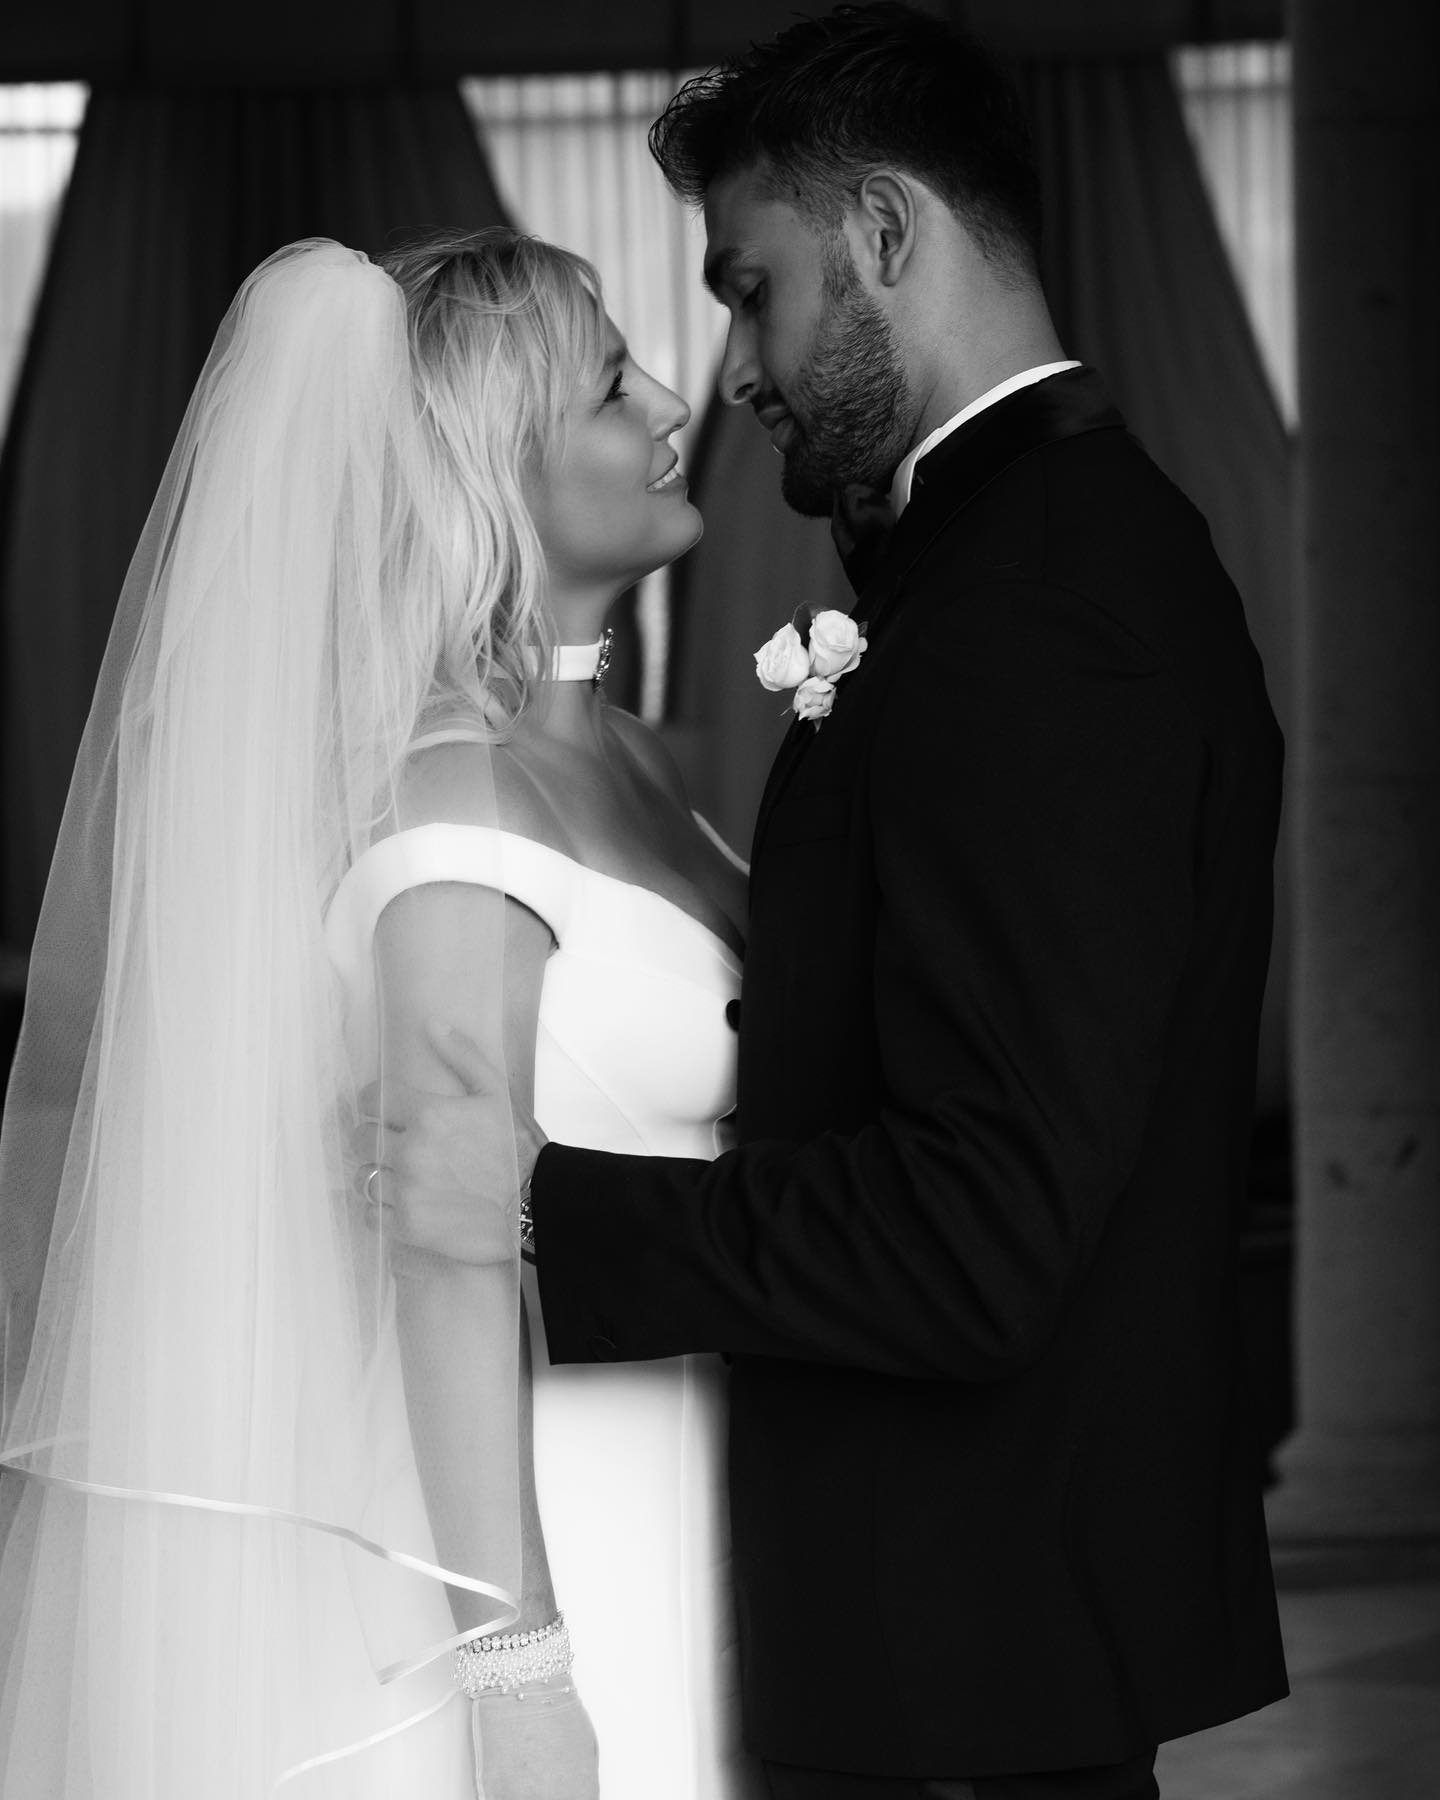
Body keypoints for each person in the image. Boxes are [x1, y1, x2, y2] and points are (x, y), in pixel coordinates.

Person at [364, 7, 1292, 1798]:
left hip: (963, 1653)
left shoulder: (1033, 608)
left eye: (748, 290)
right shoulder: (1012, 561)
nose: (724, 377)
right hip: (887, 1624)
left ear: (881, 231)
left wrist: (547, 1206)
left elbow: (978, 1230)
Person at [0, 230, 764, 1797]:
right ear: (494, 473)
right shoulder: (452, 793)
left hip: (685, 1464)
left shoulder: (635, 765)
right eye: (612, 386)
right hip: (543, 1536)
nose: (673, 400)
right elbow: (444, 1244)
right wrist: (520, 1675)